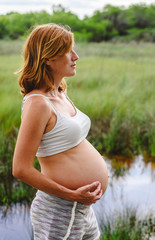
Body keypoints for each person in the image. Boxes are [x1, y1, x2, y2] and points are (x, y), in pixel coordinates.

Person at [12, 23, 109, 240]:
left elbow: (65, 142)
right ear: (48, 58)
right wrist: (72, 194)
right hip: (60, 210)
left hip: (81, 209)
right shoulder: (38, 103)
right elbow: (20, 169)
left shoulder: (60, 92)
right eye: (68, 51)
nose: (75, 56)